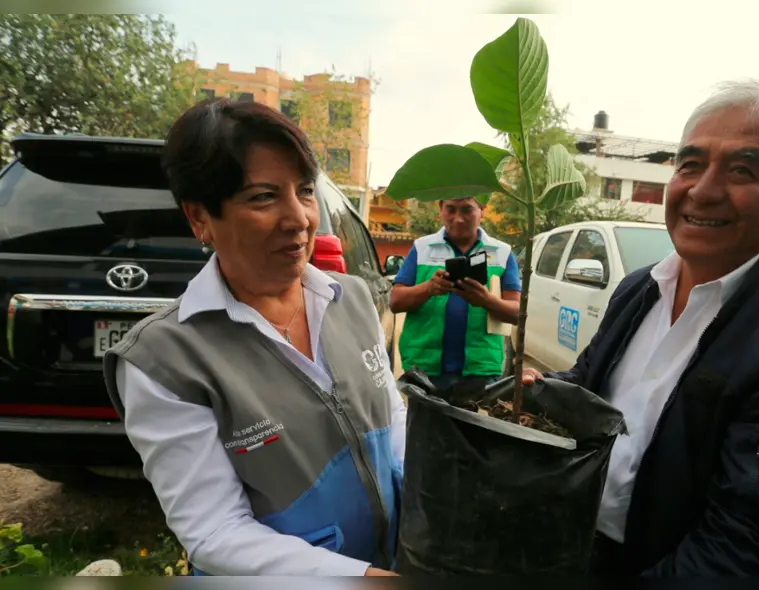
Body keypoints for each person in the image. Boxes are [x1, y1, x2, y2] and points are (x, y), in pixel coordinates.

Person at [522, 80, 759, 577]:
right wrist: (538, 393)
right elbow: (591, 384)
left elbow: (745, 552)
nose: (704, 190)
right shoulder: (638, 290)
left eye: (742, 170)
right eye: (690, 165)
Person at [101, 99, 404, 577]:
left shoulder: (351, 298)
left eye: (305, 191)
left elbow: (392, 418)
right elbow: (215, 532)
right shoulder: (166, 359)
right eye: (264, 197)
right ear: (200, 217)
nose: (300, 218)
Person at [390, 197, 521, 389]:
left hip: (479, 370)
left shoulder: (502, 253)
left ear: (482, 210)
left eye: (467, 210)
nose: (458, 219)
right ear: (440, 207)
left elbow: (517, 313)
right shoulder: (422, 248)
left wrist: (486, 300)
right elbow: (395, 301)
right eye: (451, 209)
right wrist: (428, 288)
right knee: (424, 421)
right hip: (424, 367)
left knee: (470, 420)